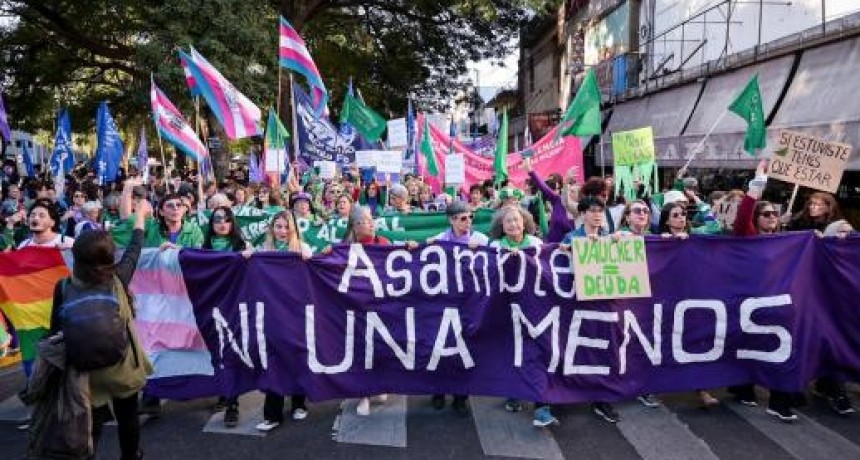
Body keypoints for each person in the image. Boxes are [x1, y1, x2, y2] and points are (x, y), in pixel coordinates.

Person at [48, 199, 153, 460]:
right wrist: (139, 217)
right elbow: (135, 247)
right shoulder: (118, 278)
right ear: (109, 255)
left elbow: (54, 332)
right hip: (123, 366)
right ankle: (130, 455)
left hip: (84, 371)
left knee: (90, 422)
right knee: (128, 417)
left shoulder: (63, 287)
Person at [785, 192, 854, 416]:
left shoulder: (838, 226)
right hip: (804, 289)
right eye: (811, 203)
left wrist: (846, 238)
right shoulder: (799, 222)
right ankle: (799, 387)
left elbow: (850, 247)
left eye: (819, 204)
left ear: (829, 207)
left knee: (829, 337)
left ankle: (834, 389)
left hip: (828, 292)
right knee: (803, 337)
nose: (814, 207)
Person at [244, 210, 312, 432]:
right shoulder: (264, 250)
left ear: (293, 229)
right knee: (272, 360)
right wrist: (248, 256)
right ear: (272, 228)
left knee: (295, 357)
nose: (282, 231)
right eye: (278, 226)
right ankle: (272, 414)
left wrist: (305, 255)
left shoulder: (300, 248)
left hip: (295, 313)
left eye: (286, 227)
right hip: (271, 314)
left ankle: (299, 403)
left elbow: (312, 262)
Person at [425, 201, 488, 416]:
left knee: (466, 350)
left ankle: (461, 397)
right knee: (440, 348)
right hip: (443, 304)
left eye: (470, 217)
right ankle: (439, 392)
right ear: (451, 220)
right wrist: (423, 246)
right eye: (463, 218)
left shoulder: (480, 240)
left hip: (469, 305)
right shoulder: (440, 241)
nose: (468, 222)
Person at [340, 205, 392, 415]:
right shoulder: (344, 248)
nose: (369, 225)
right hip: (357, 307)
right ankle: (364, 395)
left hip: (381, 306)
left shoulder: (384, 243)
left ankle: (378, 386)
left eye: (370, 220)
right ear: (354, 226)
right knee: (362, 351)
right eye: (363, 222)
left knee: (380, 349)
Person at [203, 206, 251, 427]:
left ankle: (232, 403)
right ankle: (223, 390)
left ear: (233, 223)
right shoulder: (203, 249)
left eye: (226, 219)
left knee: (231, 352)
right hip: (211, 307)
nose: (222, 223)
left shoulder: (242, 246)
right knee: (215, 353)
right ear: (211, 224)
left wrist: (251, 255)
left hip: (234, 308)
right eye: (217, 220)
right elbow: (187, 259)